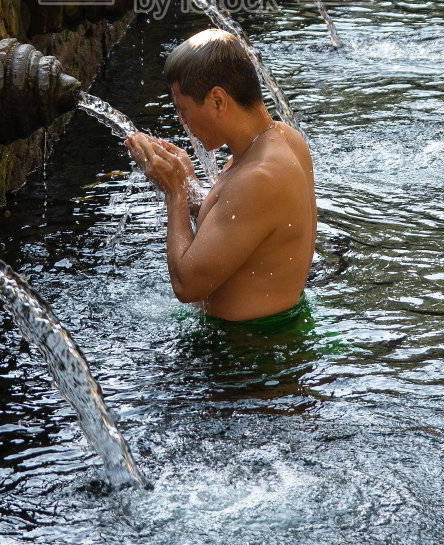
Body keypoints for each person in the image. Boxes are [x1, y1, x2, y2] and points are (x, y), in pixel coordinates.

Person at [125, 29, 317, 326]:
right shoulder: (283, 139)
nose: (182, 121)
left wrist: (175, 192)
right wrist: (188, 182)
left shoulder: (260, 177)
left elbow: (186, 285)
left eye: (184, 110)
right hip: (272, 332)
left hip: (252, 353)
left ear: (218, 101)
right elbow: (238, 223)